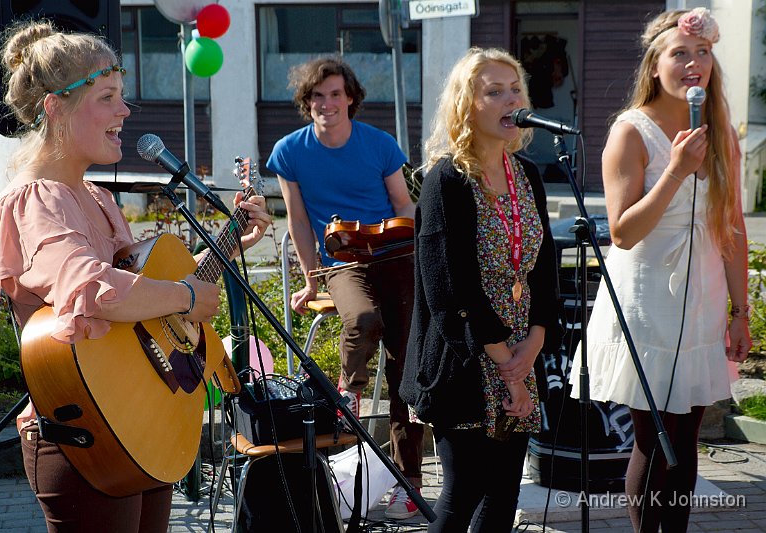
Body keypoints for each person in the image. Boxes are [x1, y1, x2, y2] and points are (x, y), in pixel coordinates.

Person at [0, 21, 270, 532]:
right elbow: (92, 288)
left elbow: (140, 292)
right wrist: (183, 294)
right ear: (55, 108)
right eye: (108, 97)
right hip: (85, 431)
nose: (125, 111)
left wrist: (232, 242)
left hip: (136, 420)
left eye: (123, 97)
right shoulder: (37, 198)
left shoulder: (97, 197)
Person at [568, 8, 751, 532]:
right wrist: (675, 170)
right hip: (648, 298)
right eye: (680, 54)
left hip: (703, 296)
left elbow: (732, 226)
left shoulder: (721, 133)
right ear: (654, 65)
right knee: (656, 435)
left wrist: (740, 312)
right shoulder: (631, 131)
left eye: (703, 53)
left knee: (688, 438)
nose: (693, 64)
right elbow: (622, 232)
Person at [399, 47, 562, 532]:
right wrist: (508, 367)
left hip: (519, 356)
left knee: (503, 497)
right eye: (494, 92)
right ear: (467, 105)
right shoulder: (447, 179)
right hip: (465, 361)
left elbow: (543, 271)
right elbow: (451, 290)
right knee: (464, 494)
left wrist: (533, 344)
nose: (510, 99)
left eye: (515, 89)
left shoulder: (528, 175)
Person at [266, 56, 425, 519]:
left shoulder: (379, 144)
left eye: (335, 94)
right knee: (362, 318)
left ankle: (410, 480)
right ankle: (347, 392)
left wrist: (397, 239)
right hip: (342, 261)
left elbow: (404, 205)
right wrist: (312, 275)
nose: (326, 103)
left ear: (350, 98)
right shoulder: (290, 151)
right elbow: (296, 219)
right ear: (306, 102)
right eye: (317, 96)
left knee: (405, 362)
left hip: (393, 255)